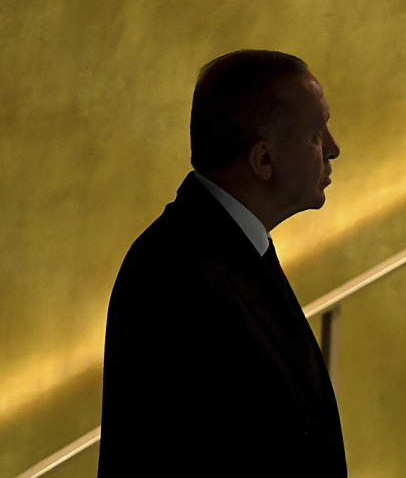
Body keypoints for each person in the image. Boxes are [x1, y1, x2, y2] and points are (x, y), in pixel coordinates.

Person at [98, 50, 345, 476]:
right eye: (315, 134)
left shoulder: (228, 247)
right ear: (263, 160)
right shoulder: (175, 276)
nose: (334, 149)